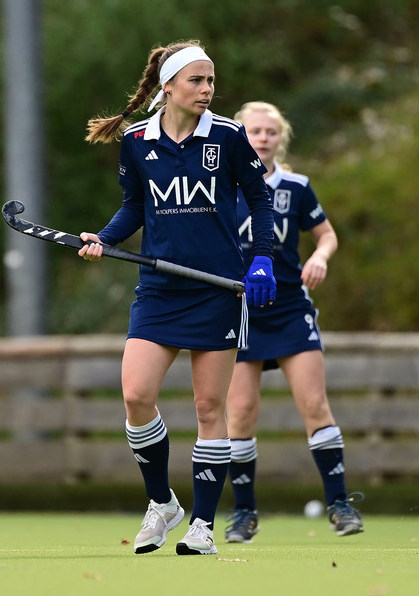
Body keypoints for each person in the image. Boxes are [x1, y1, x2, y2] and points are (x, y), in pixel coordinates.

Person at [78, 40, 277, 556]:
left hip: (217, 290)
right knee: (136, 396)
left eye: (211, 81)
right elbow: (134, 207)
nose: (207, 90)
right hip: (160, 291)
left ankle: (203, 526)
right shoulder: (137, 140)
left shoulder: (229, 137)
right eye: (197, 81)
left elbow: (259, 198)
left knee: (210, 406)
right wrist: (105, 238)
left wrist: (262, 259)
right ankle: (162, 502)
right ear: (167, 86)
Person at [222, 101, 363, 544]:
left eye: (270, 131)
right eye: (254, 131)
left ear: (281, 138)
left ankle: (340, 505)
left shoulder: (296, 187)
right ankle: (244, 513)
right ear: (239, 136)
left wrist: (320, 256)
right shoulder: (221, 185)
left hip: (288, 309)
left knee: (314, 405)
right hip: (239, 309)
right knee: (240, 413)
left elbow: (326, 234)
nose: (262, 138)